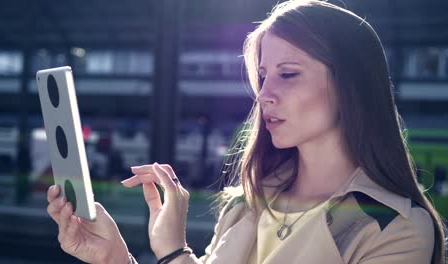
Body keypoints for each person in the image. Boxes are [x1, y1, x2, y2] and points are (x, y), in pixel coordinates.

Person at [46, 1, 446, 263]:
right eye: (262, 76)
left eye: (288, 74)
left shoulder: (395, 230)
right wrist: (114, 255)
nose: (265, 94)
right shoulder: (245, 205)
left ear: (351, 84)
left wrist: (173, 252)